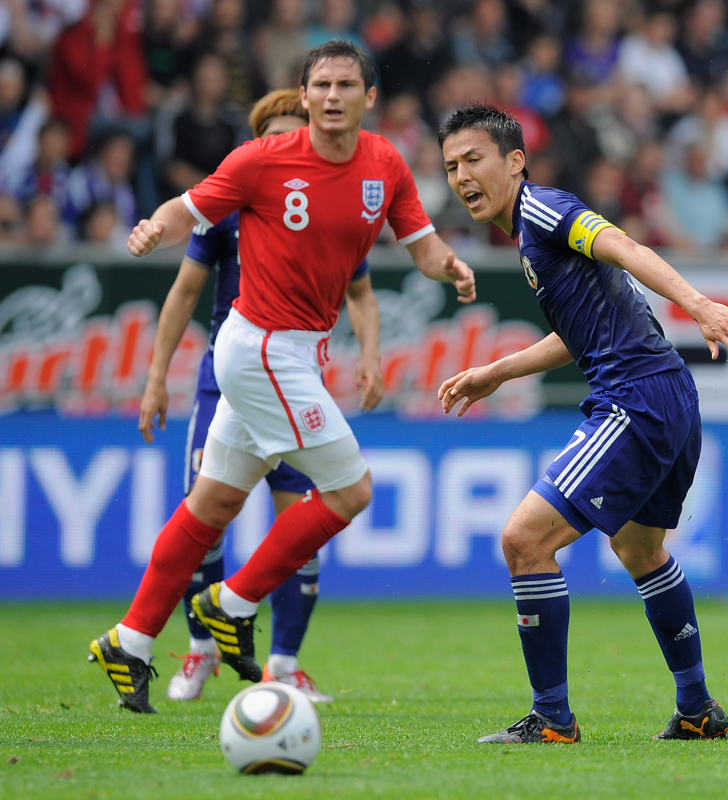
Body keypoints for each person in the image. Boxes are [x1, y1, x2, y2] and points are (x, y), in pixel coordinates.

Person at [89, 40, 476, 714]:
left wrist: (451, 266)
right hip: (259, 347)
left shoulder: (385, 165)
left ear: (370, 98)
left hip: (297, 352)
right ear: (302, 97)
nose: (332, 96)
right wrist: (154, 225)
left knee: (212, 505)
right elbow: (192, 205)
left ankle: (131, 638)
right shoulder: (262, 160)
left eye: (345, 85)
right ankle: (230, 604)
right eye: (320, 84)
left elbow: (421, 244)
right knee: (351, 488)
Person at [437, 104, 728, 744]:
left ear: (514, 162)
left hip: (636, 399)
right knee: (639, 550)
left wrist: (696, 303)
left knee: (524, 541)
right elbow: (576, 333)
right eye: (450, 166)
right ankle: (697, 709)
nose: (461, 176)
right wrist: (495, 372)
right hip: (669, 394)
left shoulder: (542, 211)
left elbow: (627, 246)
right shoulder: (531, 235)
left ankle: (552, 718)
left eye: (474, 159)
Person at [137, 89, 370, 704]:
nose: (297, 145)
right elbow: (185, 293)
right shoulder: (231, 205)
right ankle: (201, 648)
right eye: (283, 134)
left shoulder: (333, 206)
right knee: (207, 516)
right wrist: (158, 376)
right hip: (228, 379)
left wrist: (369, 353)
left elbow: (362, 291)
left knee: (300, 518)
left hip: (291, 379)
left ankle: (284, 662)